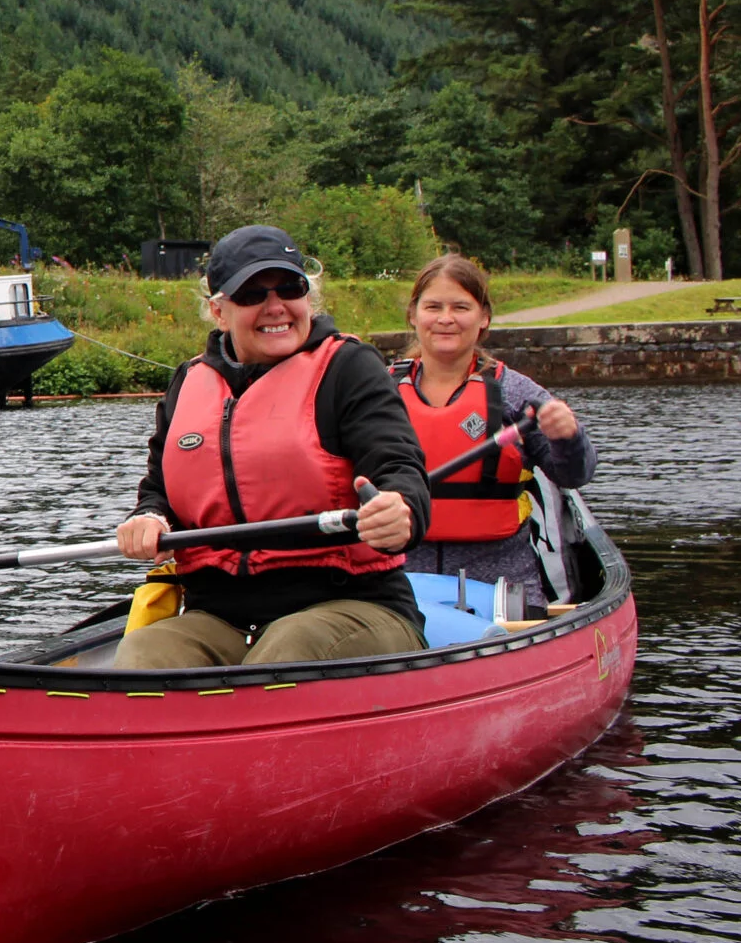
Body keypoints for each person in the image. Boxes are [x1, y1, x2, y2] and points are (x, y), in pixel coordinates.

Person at [113, 225, 431, 668]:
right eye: (252, 295)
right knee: (146, 652)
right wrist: (147, 518)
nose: (275, 306)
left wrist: (402, 510)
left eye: (290, 288)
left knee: (289, 647)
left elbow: (399, 467)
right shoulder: (188, 382)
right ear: (219, 311)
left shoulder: (349, 368)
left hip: (354, 605)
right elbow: (158, 491)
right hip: (221, 615)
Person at [395, 253, 594, 595]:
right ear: (413, 315)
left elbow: (574, 475)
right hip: (400, 581)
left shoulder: (516, 393)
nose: (446, 319)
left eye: (461, 307)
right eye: (433, 307)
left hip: (499, 583)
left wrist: (568, 438)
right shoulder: (376, 392)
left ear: (483, 317)